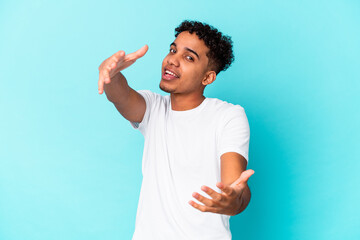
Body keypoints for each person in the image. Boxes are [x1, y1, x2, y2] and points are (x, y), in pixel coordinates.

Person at [98, 20, 255, 240]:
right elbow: (121, 96)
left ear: (207, 77)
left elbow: (235, 186)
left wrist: (233, 200)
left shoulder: (228, 116)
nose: (173, 60)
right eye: (173, 50)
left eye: (189, 57)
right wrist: (111, 75)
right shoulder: (153, 107)